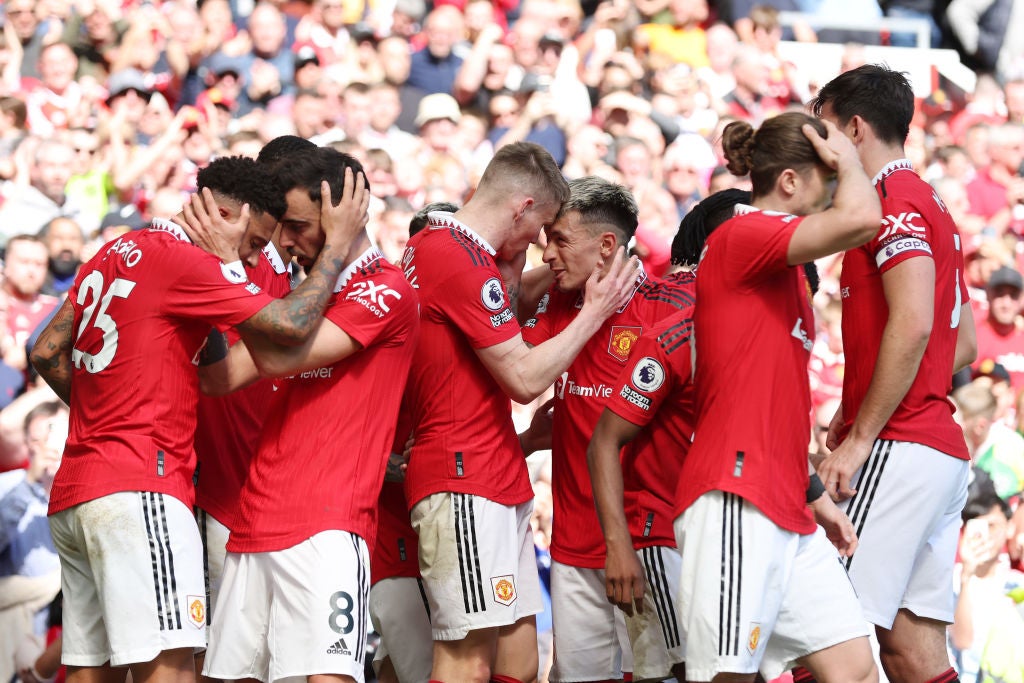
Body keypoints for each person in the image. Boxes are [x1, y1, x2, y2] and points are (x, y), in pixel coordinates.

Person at [27, 154, 369, 683]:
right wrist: (339, 249)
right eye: (255, 243)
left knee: (91, 671)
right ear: (228, 216)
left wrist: (105, 416)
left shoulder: (116, 249)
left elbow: (46, 349)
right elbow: (290, 322)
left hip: (76, 491)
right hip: (142, 486)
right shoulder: (189, 263)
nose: (256, 258)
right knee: (175, 670)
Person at [400, 141, 639, 683]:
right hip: (461, 477)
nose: (539, 243)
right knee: (467, 662)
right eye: (542, 228)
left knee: (520, 664)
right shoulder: (450, 253)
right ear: (521, 207)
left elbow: (507, 300)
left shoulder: (451, 253)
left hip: (495, 473)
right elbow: (526, 379)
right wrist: (595, 311)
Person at [674, 111, 881, 683]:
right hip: (735, 496)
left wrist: (815, 497)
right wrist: (849, 157)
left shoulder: (785, 267)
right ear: (789, 181)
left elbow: (773, 401)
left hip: (785, 502)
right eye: (827, 179)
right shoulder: (743, 234)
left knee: (855, 668)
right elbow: (864, 218)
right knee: (727, 676)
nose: (836, 192)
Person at [198, 146, 418, 683]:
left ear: (343, 212)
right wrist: (198, 282)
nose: (284, 241)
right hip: (253, 519)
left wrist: (225, 271)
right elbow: (218, 378)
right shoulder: (304, 298)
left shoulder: (386, 290)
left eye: (297, 225)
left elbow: (274, 355)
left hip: (327, 524)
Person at [812, 65, 978, 683]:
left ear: (854, 129)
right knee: (912, 652)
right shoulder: (930, 201)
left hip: (898, 443)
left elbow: (912, 327)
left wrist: (860, 434)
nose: (819, 149)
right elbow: (959, 344)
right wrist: (859, 394)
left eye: (824, 131)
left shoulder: (894, 203)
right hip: (938, 452)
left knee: (821, 628)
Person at [520, 176, 694, 683]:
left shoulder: (669, 312)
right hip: (573, 545)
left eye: (560, 240)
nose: (547, 254)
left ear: (607, 246)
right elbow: (518, 369)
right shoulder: (558, 306)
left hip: (649, 545)